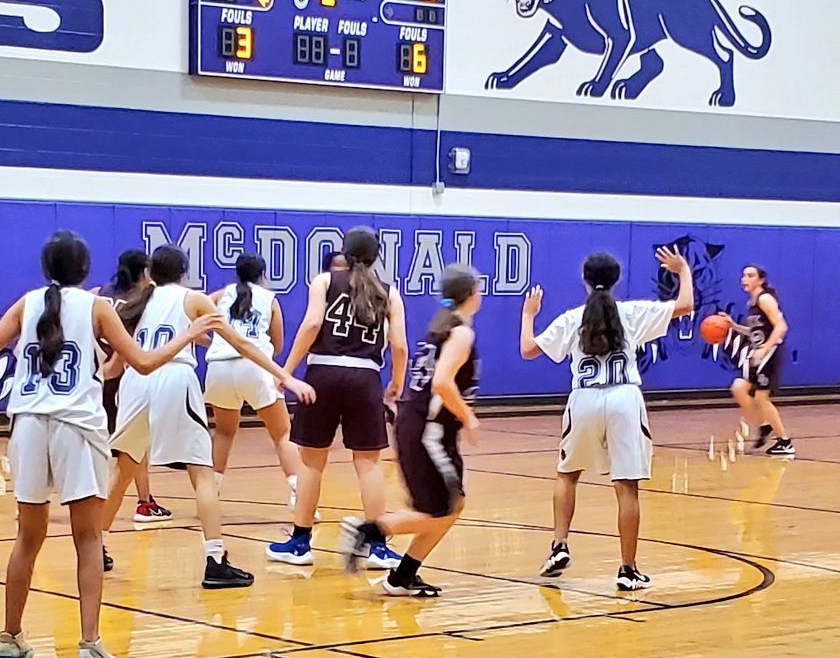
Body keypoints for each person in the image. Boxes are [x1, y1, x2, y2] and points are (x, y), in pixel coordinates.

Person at [0, 230, 218, 658]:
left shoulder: (27, 303)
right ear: (84, 270)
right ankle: (90, 645)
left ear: (46, 268)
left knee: (28, 539)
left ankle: (10, 638)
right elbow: (144, 363)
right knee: (88, 539)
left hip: (29, 426)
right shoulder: (97, 308)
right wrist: (188, 334)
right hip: (77, 428)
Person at [103, 244, 315, 588]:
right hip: (174, 376)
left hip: (135, 383)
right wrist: (286, 376)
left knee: (124, 467)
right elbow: (243, 345)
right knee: (202, 473)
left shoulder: (137, 303)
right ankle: (215, 560)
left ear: (150, 273)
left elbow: (113, 366)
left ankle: (97, 544)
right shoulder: (193, 299)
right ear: (184, 272)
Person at [520, 246, 692, 591]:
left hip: (583, 399)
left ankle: (559, 545)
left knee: (567, 475)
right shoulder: (631, 313)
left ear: (584, 280)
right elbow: (685, 305)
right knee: (626, 487)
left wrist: (528, 314)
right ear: (617, 280)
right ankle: (628, 570)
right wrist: (683, 270)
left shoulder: (572, 318)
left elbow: (528, 350)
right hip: (624, 398)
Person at [267, 226, 409, 569]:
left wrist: (286, 370)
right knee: (369, 464)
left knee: (312, 461)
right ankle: (377, 547)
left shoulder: (325, 281)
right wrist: (397, 382)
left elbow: (313, 323)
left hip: (324, 374)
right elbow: (401, 346)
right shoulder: (389, 292)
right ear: (377, 256)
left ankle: (300, 542)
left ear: (344, 253)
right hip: (366, 376)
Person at [340, 264, 482, 596]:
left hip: (421, 426)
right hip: (428, 433)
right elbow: (443, 382)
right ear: (473, 295)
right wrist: (469, 417)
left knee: (453, 505)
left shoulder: (440, 328)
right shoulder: (460, 332)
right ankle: (371, 529)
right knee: (441, 509)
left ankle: (402, 576)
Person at [205, 254, 303, 506]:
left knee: (224, 432)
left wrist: (212, 342)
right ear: (263, 274)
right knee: (282, 434)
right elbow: (278, 346)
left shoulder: (219, 295)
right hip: (255, 366)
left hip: (218, 368)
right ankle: (298, 495)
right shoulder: (269, 299)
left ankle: (210, 494)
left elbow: (190, 318)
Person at [96, 248, 172, 526]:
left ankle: (35, 498)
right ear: (145, 272)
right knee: (133, 446)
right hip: (118, 377)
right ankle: (142, 502)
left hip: (93, 375)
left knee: (115, 447)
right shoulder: (141, 300)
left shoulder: (98, 293)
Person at [720, 265, 794, 457]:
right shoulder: (751, 303)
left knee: (761, 397)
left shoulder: (765, 299)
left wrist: (764, 348)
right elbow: (754, 331)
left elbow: (781, 327)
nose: (744, 278)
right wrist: (734, 325)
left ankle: (785, 442)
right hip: (758, 354)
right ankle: (764, 426)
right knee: (738, 388)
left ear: (761, 280)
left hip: (770, 353)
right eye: (743, 275)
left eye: (750, 275)